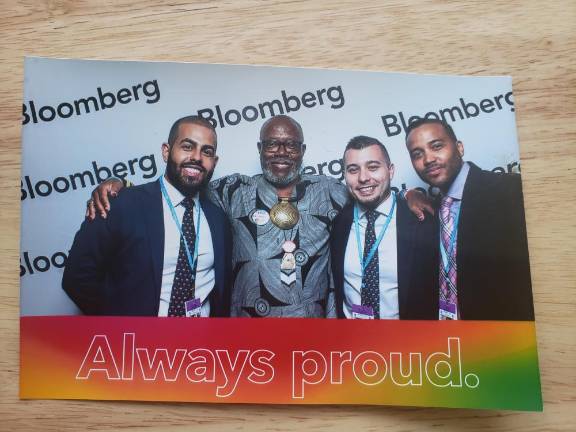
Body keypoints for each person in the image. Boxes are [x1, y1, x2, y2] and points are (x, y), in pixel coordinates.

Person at [86, 115, 431, 318]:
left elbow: (371, 192)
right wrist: (123, 185)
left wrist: (408, 193)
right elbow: (185, 182)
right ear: (260, 150)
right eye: (272, 144)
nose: (281, 152)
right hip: (245, 339)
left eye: (291, 145)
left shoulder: (332, 191)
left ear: (303, 151)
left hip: (318, 342)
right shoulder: (232, 191)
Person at [63, 116, 232, 317]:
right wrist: (121, 329)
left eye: (207, 151)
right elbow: (77, 277)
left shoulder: (219, 219)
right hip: (137, 343)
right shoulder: (121, 203)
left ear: (214, 162)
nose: (196, 157)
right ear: (166, 151)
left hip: (199, 344)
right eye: (187, 146)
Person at [405, 118, 534, 320]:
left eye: (437, 146)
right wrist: (407, 194)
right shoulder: (433, 209)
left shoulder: (510, 191)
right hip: (449, 340)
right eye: (417, 154)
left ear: (459, 148)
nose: (428, 159)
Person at [331, 136, 437, 319]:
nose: (363, 178)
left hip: (405, 342)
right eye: (353, 170)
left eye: (373, 167)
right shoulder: (339, 222)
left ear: (390, 170)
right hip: (351, 341)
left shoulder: (420, 220)